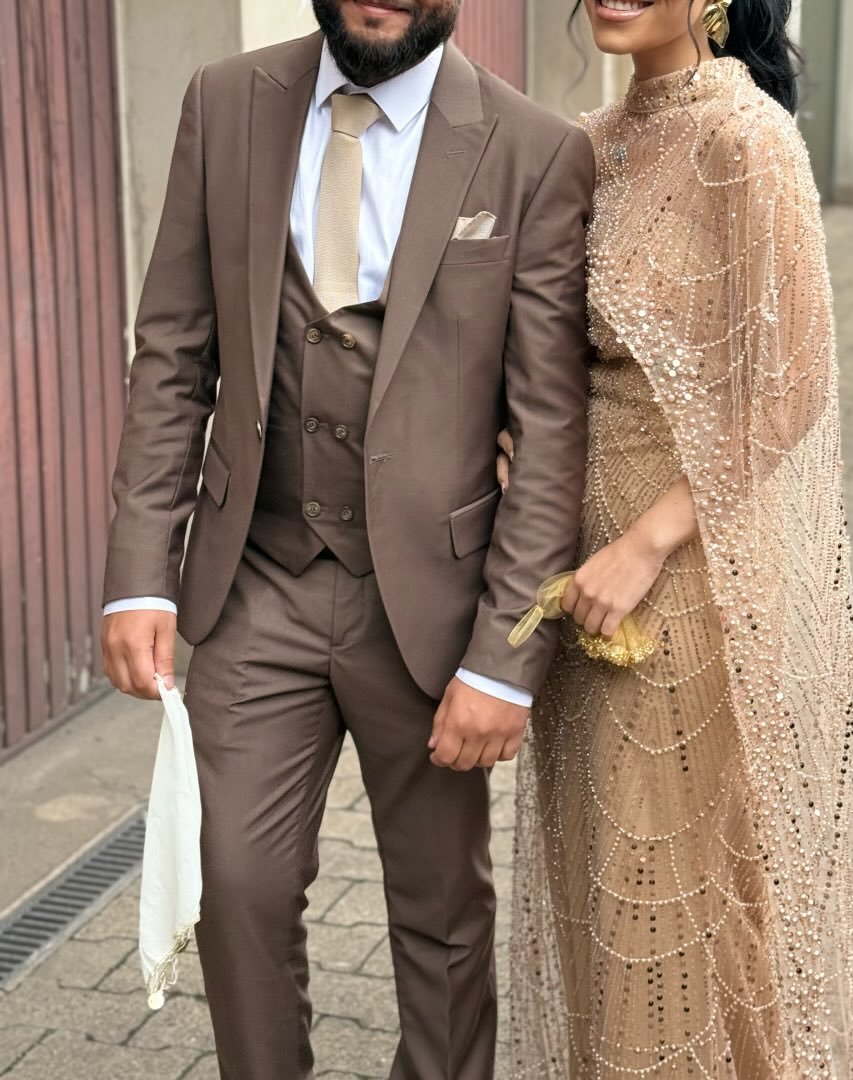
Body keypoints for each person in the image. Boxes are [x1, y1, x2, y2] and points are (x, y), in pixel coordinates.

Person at [100, 1, 593, 1076]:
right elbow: (173, 354)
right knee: (235, 885)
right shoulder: (225, 103)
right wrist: (139, 575)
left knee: (442, 910)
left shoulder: (534, 150)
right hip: (254, 575)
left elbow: (552, 430)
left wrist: (504, 661)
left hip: (433, 601)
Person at [507, 1, 853, 1077]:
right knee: (598, 888)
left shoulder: (747, 139)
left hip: (681, 579)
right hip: (573, 566)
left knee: (661, 901)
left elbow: (793, 385)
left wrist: (644, 545)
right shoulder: (590, 141)